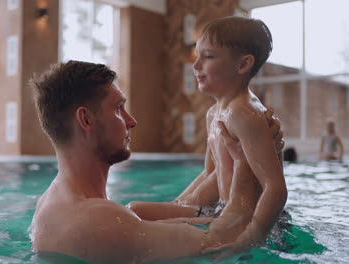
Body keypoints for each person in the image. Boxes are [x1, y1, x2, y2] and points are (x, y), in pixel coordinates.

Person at [28, 60, 278, 263]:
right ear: (86, 120)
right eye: (118, 109)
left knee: (137, 210)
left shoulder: (54, 201)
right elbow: (224, 242)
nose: (131, 120)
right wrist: (247, 158)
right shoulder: (97, 222)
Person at [128, 16, 287, 251]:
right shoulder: (214, 114)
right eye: (197, 54)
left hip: (249, 218)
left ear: (243, 65)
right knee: (134, 211)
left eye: (208, 57)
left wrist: (251, 237)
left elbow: (275, 188)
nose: (195, 65)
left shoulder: (244, 114)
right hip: (220, 210)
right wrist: (178, 203)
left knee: (143, 233)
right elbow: (211, 172)